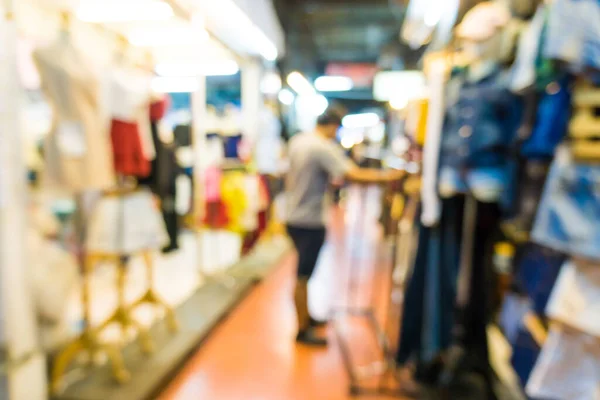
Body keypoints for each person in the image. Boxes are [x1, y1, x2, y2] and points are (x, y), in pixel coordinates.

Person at [285, 109, 404, 346]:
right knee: (303, 275)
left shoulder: (299, 141)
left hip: (293, 215)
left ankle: (306, 319)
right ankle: (301, 330)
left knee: (303, 273)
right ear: (332, 126)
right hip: (309, 219)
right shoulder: (320, 147)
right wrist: (389, 177)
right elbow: (352, 174)